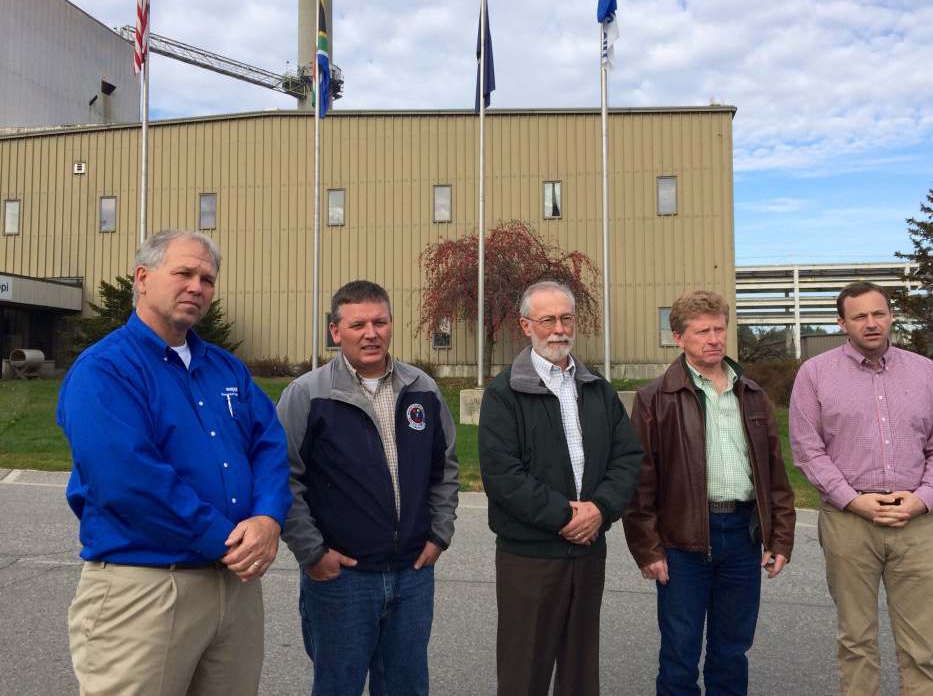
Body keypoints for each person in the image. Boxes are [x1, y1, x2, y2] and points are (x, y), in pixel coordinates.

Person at [56, 229, 293, 696]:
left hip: (234, 589)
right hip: (147, 590)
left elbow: (269, 444)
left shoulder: (227, 369)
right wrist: (224, 539)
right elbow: (127, 480)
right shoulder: (104, 370)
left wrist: (268, 517)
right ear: (143, 278)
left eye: (207, 278)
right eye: (183, 272)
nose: (197, 286)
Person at [278, 280, 459, 696]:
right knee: (337, 686)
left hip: (413, 574)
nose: (371, 333)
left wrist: (438, 535)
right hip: (342, 579)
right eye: (357, 324)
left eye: (380, 322)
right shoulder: (306, 395)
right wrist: (313, 554)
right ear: (335, 331)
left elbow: (445, 469)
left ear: (392, 324)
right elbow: (282, 478)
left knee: (406, 687)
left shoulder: (423, 390)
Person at [789, 281, 933, 696]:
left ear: (890, 316)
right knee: (856, 642)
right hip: (848, 521)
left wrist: (922, 499)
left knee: (921, 648)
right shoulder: (815, 375)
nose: (871, 323)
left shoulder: (926, 373)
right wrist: (854, 500)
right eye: (859, 316)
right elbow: (807, 451)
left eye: (879, 313)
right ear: (842, 323)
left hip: (915, 522)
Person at [623, 289, 796, 696]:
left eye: (720, 329)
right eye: (702, 331)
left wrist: (781, 537)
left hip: (741, 536)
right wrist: (648, 549)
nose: (714, 339)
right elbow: (639, 484)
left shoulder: (752, 395)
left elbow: (775, 476)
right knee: (680, 657)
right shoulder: (654, 399)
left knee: (732, 652)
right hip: (682, 542)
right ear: (679, 337)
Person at [478, 280, 643, 696]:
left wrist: (600, 510)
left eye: (566, 318)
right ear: (525, 325)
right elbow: (503, 474)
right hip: (529, 559)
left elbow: (628, 458)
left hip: (588, 555)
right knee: (524, 674)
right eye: (547, 319)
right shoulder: (504, 392)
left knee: (580, 674)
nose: (558, 329)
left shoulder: (597, 389)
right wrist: (567, 516)